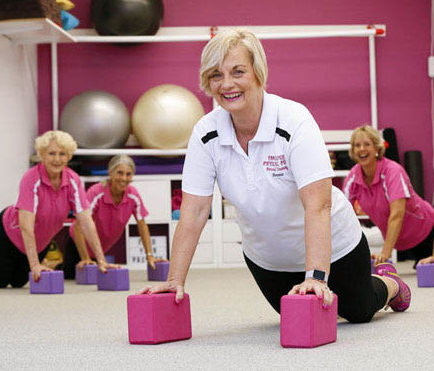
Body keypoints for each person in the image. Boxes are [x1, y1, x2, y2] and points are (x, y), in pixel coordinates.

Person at [140, 28, 411, 322]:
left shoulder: (294, 120)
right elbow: (194, 210)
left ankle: (390, 283)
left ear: (258, 74)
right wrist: (174, 280)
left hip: (334, 246)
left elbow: (317, 204)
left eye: (238, 71)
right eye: (216, 75)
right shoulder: (206, 133)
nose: (227, 84)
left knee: (357, 311)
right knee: (295, 315)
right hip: (268, 258)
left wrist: (317, 277)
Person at [0, 130, 114, 288]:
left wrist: (101, 260)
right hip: (9, 234)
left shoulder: (73, 179)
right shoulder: (31, 178)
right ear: (42, 155)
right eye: (51, 153)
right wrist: (34, 265)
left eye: (62, 154)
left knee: (18, 282)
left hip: (41, 241)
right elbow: (26, 225)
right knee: (2, 281)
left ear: (68, 156)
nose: (57, 159)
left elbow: (86, 221)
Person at [343, 125, 434, 267]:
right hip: (405, 245)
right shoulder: (353, 178)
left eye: (367, 144)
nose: (361, 149)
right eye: (357, 145)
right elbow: (342, 216)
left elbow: (397, 214)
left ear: (377, 148)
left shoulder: (392, 171)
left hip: (428, 234)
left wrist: (385, 253)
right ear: (353, 151)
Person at [62, 155, 156, 279]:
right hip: (79, 242)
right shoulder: (97, 192)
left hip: (98, 249)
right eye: (119, 173)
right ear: (110, 173)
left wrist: (149, 255)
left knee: (96, 276)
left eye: (128, 174)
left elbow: (142, 225)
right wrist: (85, 258)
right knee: (68, 275)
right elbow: (79, 225)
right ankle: (51, 263)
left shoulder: (133, 195)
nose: (124, 178)